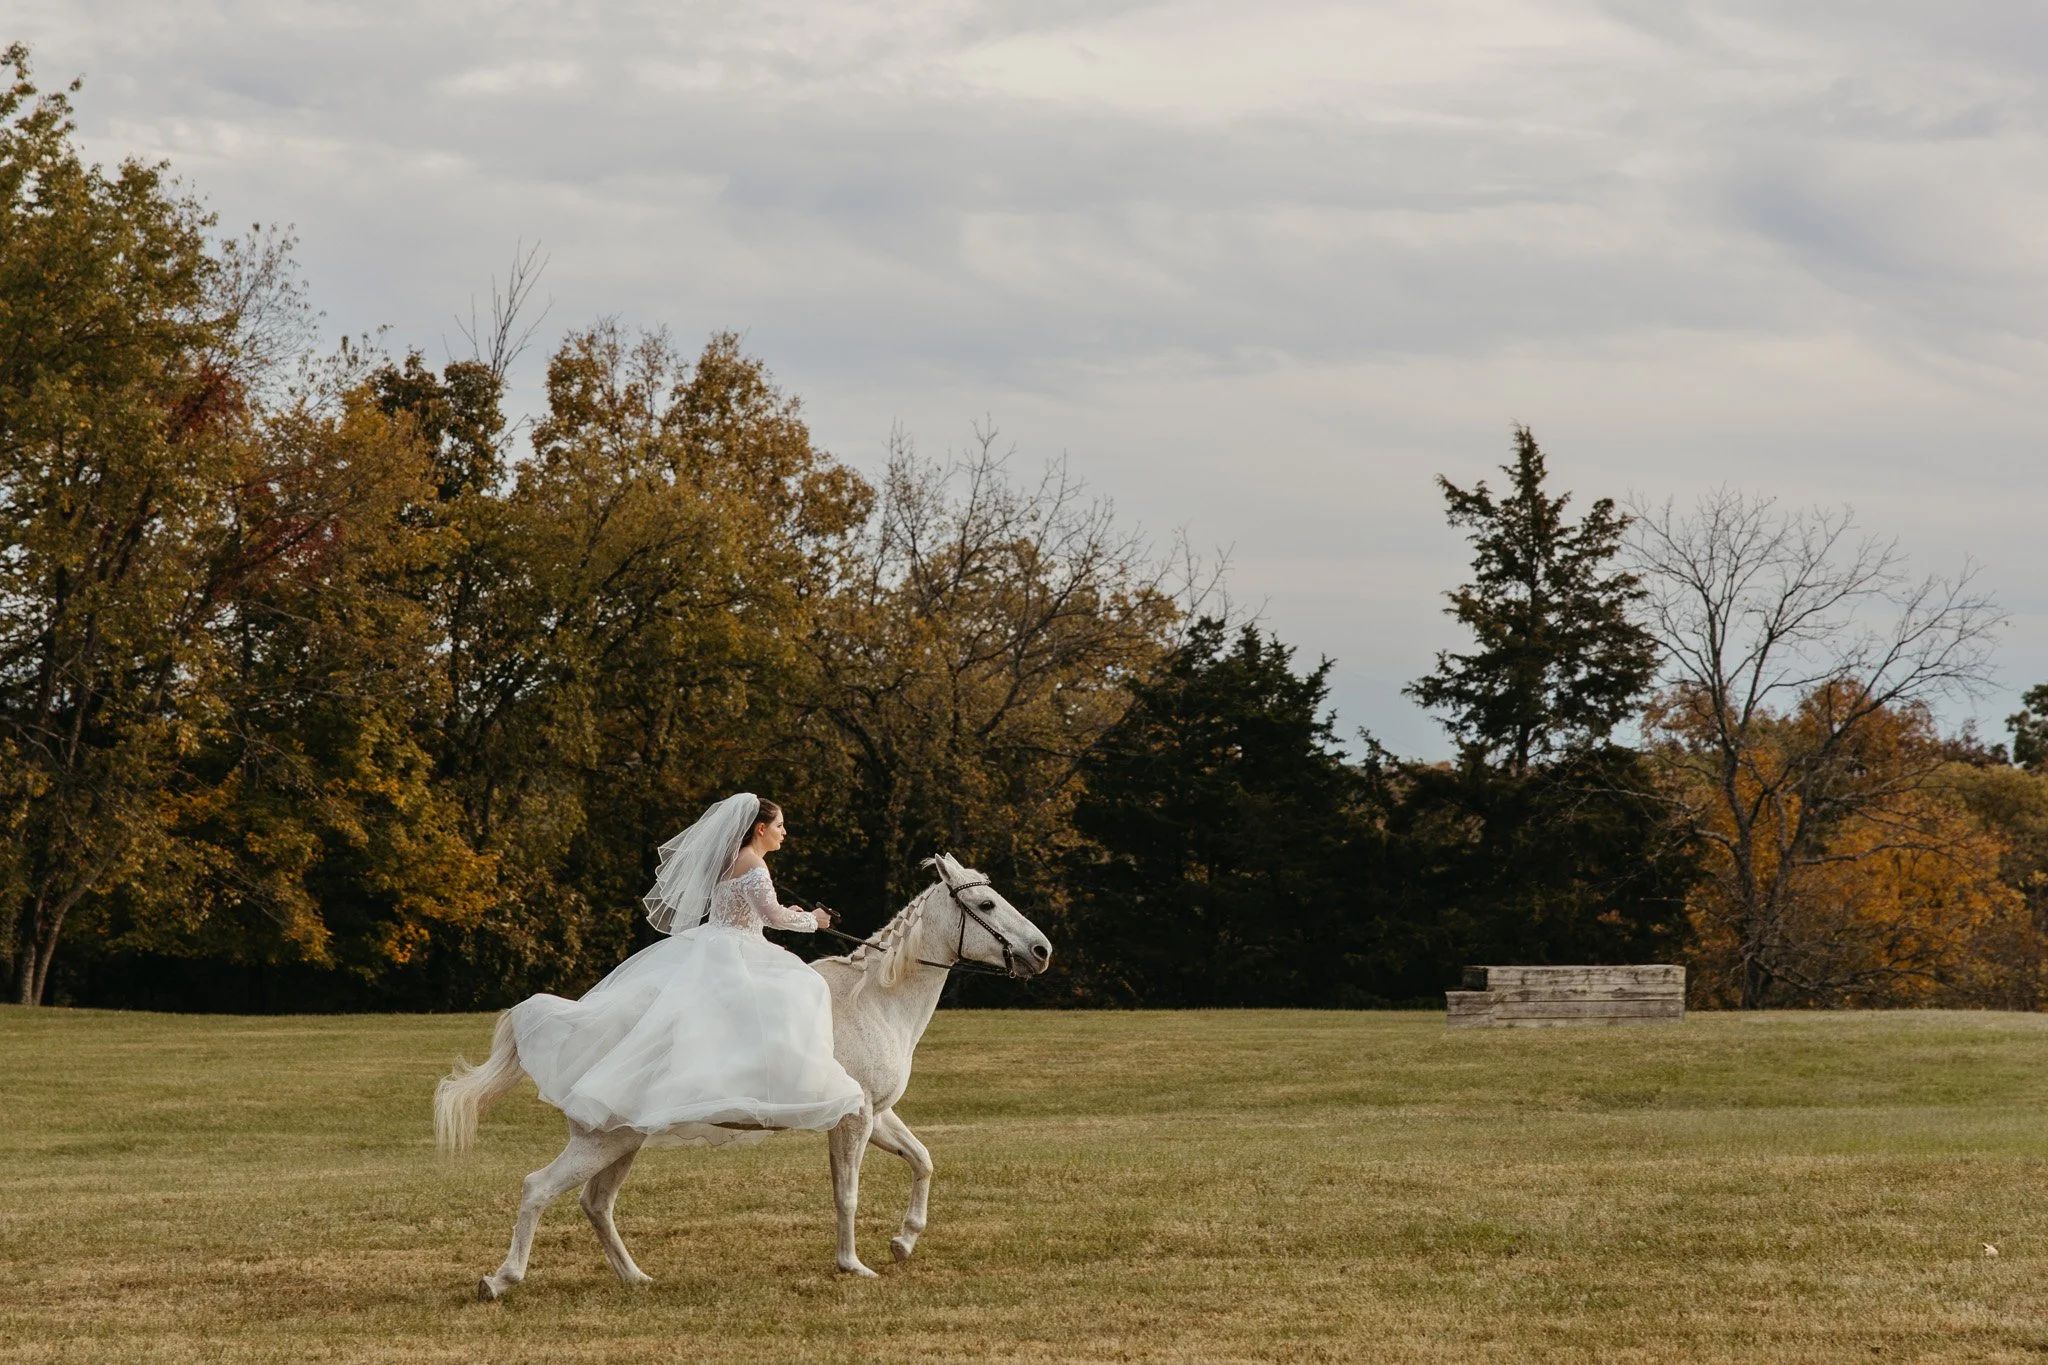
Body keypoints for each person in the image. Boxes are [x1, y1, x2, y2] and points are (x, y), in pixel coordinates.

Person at [506, 794, 866, 1146]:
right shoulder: (756, 865)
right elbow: (773, 917)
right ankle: (782, 1084)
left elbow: (749, 909)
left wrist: (788, 911)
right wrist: (814, 921)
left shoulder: (731, 860)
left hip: (713, 941)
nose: (784, 832)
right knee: (806, 986)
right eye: (780, 825)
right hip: (740, 947)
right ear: (760, 829)